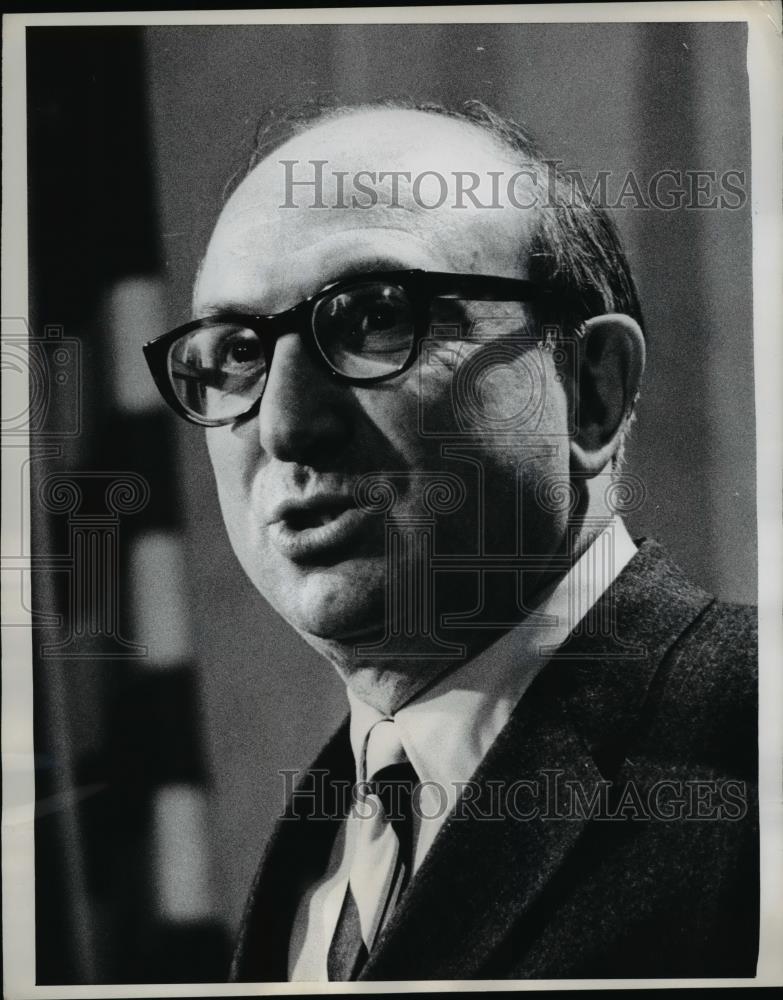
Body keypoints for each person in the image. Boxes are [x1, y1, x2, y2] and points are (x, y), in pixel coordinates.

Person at [143, 101, 758, 981]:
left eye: (373, 318)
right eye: (236, 352)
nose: (283, 425)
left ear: (590, 390)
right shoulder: (321, 838)